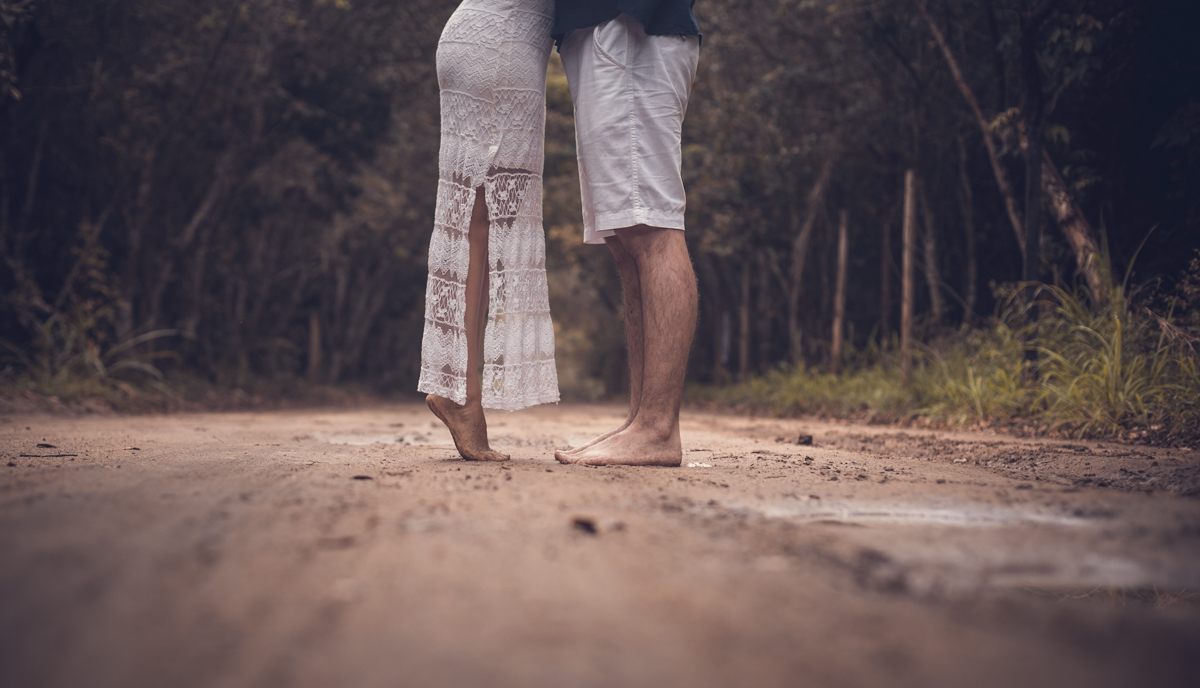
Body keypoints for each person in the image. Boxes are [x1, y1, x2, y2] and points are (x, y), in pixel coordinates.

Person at [552, 1, 701, 467]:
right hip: (602, 33)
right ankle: (642, 422)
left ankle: (657, 428)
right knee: (624, 236)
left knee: (650, 225)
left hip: (629, 27)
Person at [419, 0, 560, 461]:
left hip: (490, 37)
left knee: (478, 223)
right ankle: (461, 396)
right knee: (481, 224)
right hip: (501, 48)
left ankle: (460, 390)